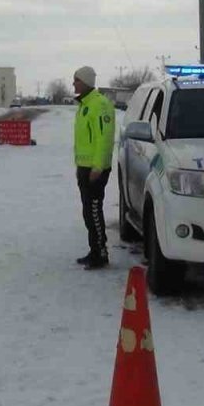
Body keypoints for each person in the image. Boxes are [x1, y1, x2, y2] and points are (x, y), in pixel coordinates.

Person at [72, 66, 116, 269]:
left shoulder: (100, 104)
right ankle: (94, 250)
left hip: (94, 169)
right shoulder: (85, 104)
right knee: (88, 211)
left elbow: (104, 138)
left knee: (94, 210)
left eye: (76, 80)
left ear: (86, 82)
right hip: (85, 166)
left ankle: (101, 252)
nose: (74, 84)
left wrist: (98, 166)